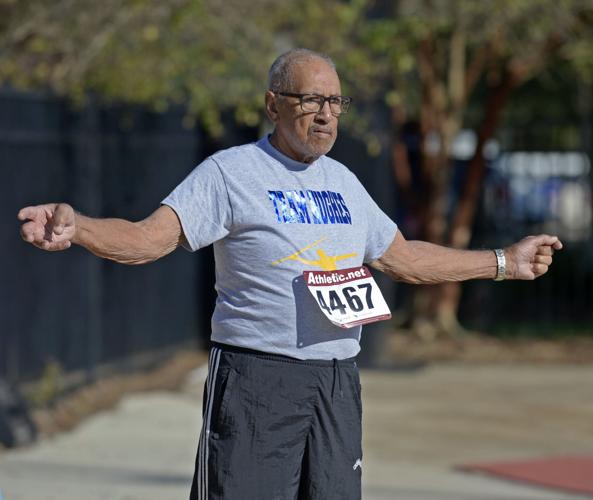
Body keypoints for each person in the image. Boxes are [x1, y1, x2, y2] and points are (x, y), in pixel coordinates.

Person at [18, 48, 562, 500]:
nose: (326, 113)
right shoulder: (231, 172)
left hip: (336, 382)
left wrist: (502, 263)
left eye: (335, 101)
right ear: (273, 105)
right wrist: (80, 228)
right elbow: (146, 240)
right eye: (310, 100)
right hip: (257, 380)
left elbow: (403, 258)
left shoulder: (345, 182)